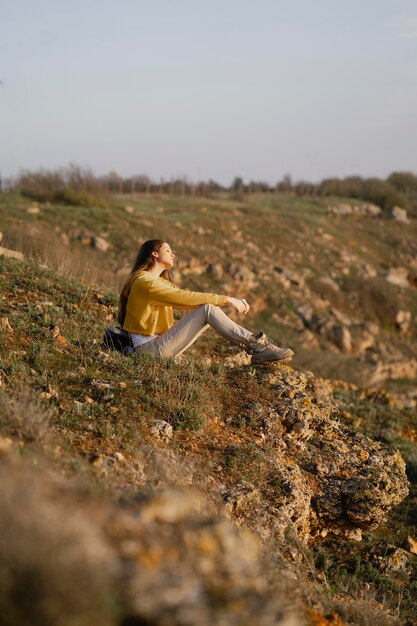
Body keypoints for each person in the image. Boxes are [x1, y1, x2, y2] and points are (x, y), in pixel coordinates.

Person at [118, 239, 294, 365]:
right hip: (148, 351)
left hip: (156, 346)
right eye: (168, 250)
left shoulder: (158, 282)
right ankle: (257, 347)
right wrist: (226, 299)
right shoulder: (144, 282)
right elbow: (183, 297)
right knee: (207, 310)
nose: (173, 254)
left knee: (206, 310)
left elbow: (180, 299)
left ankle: (256, 347)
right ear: (154, 253)